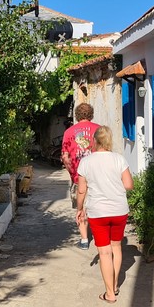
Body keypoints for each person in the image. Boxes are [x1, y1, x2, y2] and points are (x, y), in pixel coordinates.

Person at [76, 126, 133, 303]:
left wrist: (79, 209)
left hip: (98, 212)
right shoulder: (119, 159)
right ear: (109, 141)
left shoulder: (86, 162)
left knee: (104, 253)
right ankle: (115, 286)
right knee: (116, 247)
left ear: (94, 141)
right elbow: (129, 185)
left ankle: (109, 293)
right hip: (119, 210)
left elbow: (81, 190)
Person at [61, 103, 100, 248]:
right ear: (91, 114)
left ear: (77, 115)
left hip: (79, 176)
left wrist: (72, 173)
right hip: (97, 177)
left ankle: (84, 240)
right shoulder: (99, 130)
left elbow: (65, 157)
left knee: (81, 208)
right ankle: (98, 235)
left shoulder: (69, 132)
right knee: (96, 207)